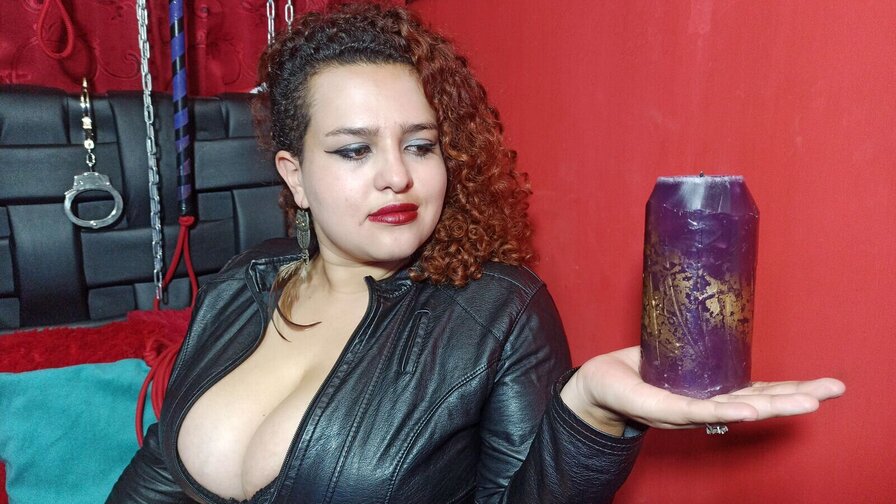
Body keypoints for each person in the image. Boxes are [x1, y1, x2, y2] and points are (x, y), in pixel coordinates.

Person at [108, 2, 845, 503]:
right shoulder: (242, 285)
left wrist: (590, 412)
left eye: (420, 145)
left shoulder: (499, 310)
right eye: (354, 149)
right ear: (294, 175)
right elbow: (158, 471)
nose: (396, 176)